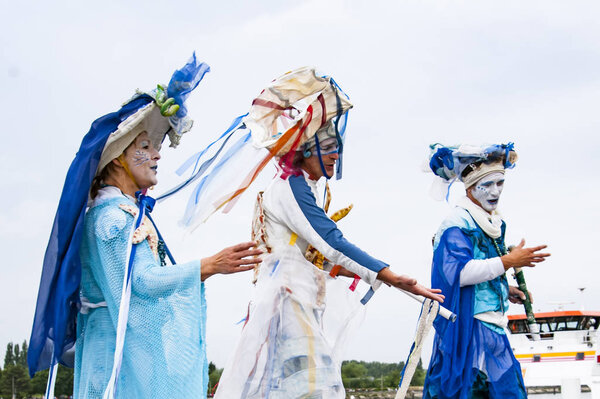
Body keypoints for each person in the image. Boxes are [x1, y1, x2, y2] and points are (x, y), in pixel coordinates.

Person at [28, 54, 261, 399]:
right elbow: (142, 281)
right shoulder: (112, 218)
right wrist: (209, 266)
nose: (157, 155)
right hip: (115, 355)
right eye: (146, 146)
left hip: (114, 349)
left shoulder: (114, 211)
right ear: (117, 157)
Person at [207, 68, 444, 399]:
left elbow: (316, 254)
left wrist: (363, 273)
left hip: (298, 300)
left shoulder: (304, 187)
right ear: (305, 150)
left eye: (338, 147)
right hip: (285, 304)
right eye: (328, 147)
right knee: (314, 389)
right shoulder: (289, 187)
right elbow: (330, 240)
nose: (336, 155)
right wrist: (388, 274)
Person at [423, 143, 550, 398]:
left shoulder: (491, 221)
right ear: (469, 187)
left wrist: (505, 288)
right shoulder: (457, 224)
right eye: (488, 184)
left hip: (492, 327)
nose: (495, 191)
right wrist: (509, 261)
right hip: (471, 330)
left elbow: (482, 269)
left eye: (500, 183)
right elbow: (458, 273)